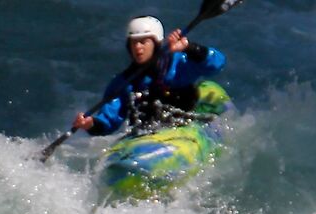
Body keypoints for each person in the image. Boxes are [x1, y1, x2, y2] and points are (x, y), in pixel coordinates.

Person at [76, 16, 225, 140]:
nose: (138, 47)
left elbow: (216, 64)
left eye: (143, 42)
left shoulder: (176, 64)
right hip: (146, 136)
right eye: (134, 42)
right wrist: (91, 124)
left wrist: (189, 47)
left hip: (184, 128)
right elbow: (110, 120)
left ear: (156, 44)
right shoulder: (124, 82)